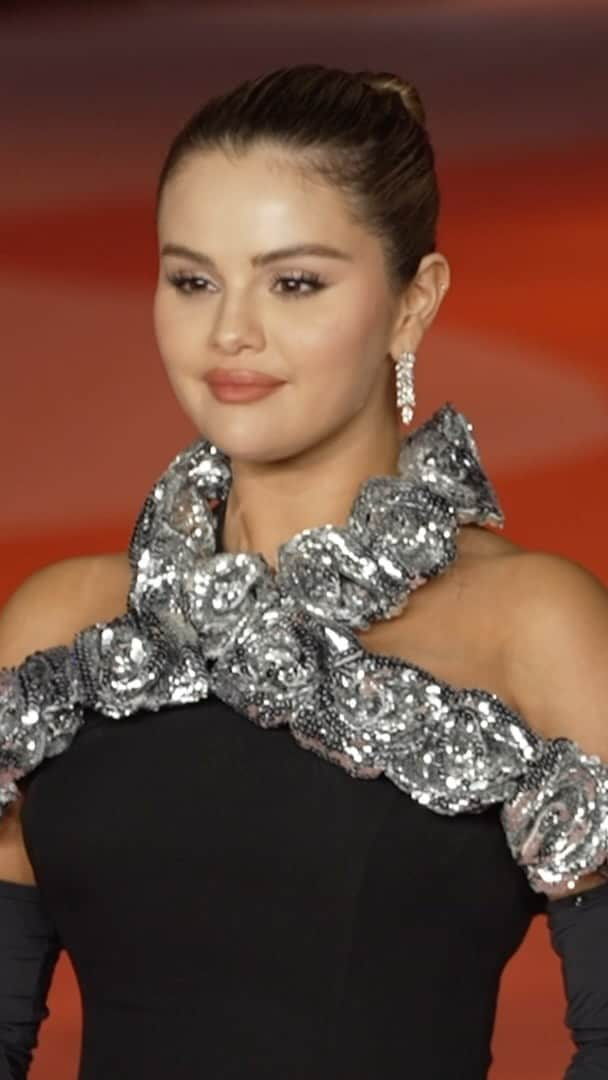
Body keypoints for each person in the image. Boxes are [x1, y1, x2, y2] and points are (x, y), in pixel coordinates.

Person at [1, 63, 607, 1080]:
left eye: (293, 282)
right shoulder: (59, 625)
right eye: (192, 279)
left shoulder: (528, 623)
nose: (229, 330)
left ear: (412, 304)